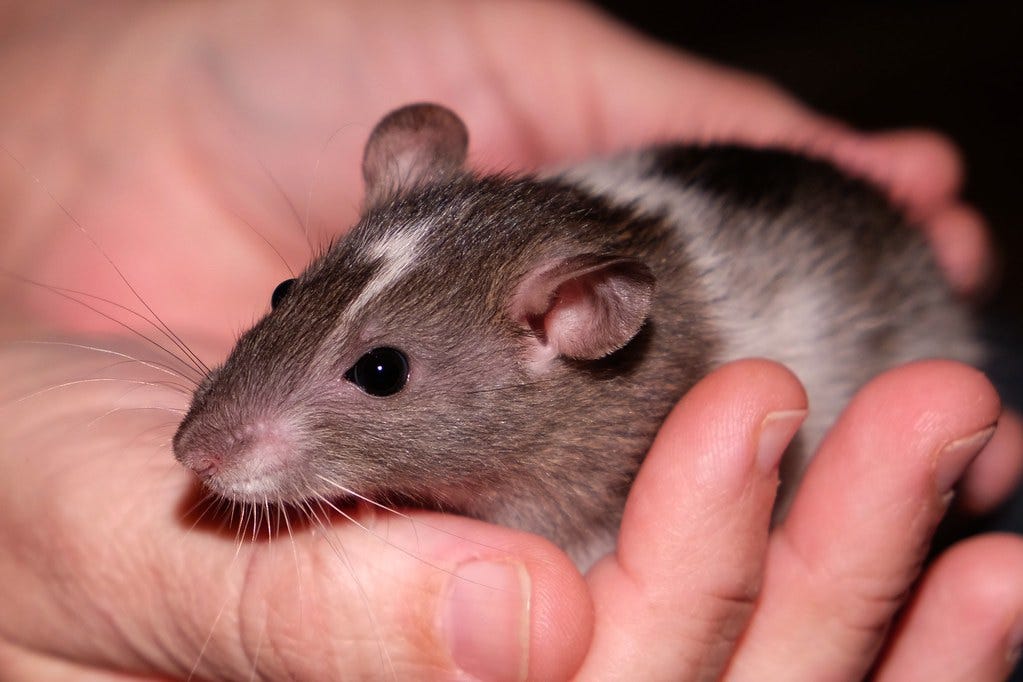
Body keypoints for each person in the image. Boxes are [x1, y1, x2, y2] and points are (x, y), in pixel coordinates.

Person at [1, 1, 1020, 679]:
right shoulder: (515, 284)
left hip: (851, 287)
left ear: (565, 331)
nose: (208, 440)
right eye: (285, 298)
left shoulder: (594, 384)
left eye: (379, 373)